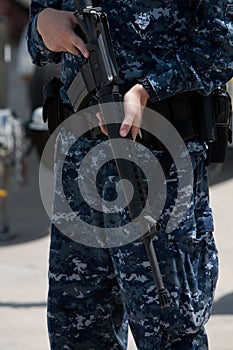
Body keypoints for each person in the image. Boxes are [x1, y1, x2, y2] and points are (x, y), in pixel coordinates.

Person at [27, 1, 233, 349]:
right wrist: (42, 28)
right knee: (77, 330)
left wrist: (148, 90)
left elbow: (221, 44)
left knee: (169, 329)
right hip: (80, 167)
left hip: (159, 168)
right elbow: (39, 38)